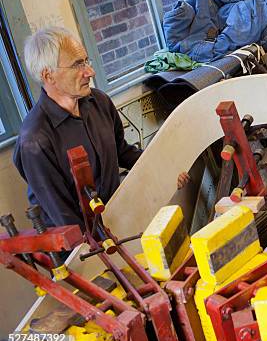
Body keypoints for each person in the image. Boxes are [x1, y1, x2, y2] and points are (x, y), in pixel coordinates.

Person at [13, 26, 189, 230]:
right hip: (79, 246)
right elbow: (65, 217)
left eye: (86, 61)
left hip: (115, 218)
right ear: (48, 76)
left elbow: (122, 152)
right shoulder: (35, 140)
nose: (90, 71)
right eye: (77, 65)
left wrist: (165, 169)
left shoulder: (98, 102)